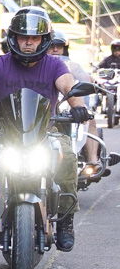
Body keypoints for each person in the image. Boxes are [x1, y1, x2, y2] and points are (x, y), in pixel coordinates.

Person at [0, 7, 91, 251]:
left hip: (44, 133)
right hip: (4, 134)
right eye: (23, 37)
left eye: (34, 38)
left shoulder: (54, 66)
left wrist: (79, 106)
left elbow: (68, 86)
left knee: (68, 157)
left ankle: (65, 220)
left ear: (44, 40)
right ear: (14, 38)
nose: (29, 42)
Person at [48, 30, 100, 168]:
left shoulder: (72, 65)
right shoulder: (40, 65)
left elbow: (84, 77)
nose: (55, 49)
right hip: (46, 107)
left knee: (90, 119)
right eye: (51, 46)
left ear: (64, 48)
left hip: (68, 103)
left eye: (58, 46)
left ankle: (92, 161)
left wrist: (93, 83)